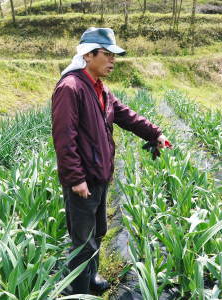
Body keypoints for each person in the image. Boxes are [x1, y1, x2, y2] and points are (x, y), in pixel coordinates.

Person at [51, 27, 171, 296]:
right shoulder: (71, 88)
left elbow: (125, 115)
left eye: (114, 55)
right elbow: (64, 138)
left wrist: (155, 133)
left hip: (100, 175)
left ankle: (91, 280)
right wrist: (76, 178)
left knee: (98, 232)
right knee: (83, 241)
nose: (113, 61)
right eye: (107, 54)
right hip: (84, 180)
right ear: (89, 54)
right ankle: (78, 290)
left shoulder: (98, 88)